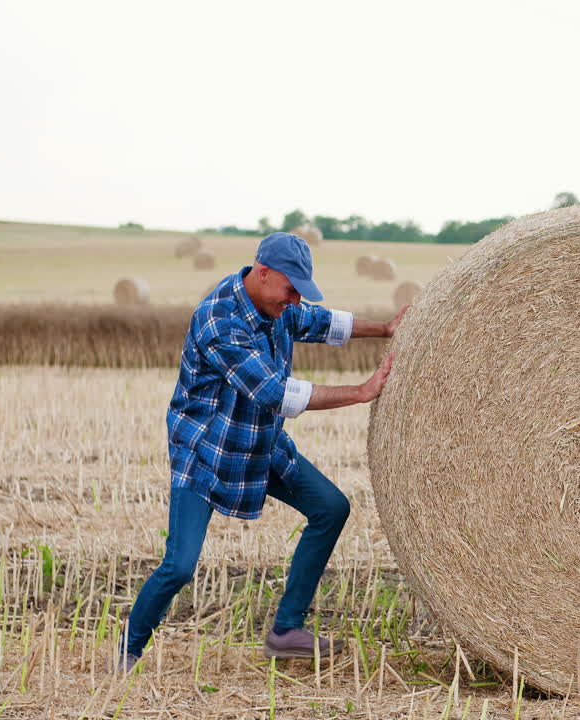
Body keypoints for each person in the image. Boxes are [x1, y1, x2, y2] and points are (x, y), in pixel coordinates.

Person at [120, 232, 405, 672]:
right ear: (263, 272)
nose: (294, 301)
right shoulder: (220, 321)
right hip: (208, 452)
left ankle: (286, 631)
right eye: (290, 289)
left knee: (331, 507)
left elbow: (320, 322)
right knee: (179, 566)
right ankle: (129, 650)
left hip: (261, 443)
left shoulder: (277, 306)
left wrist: (384, 328)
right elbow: (274, 392)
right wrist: (362, 391)